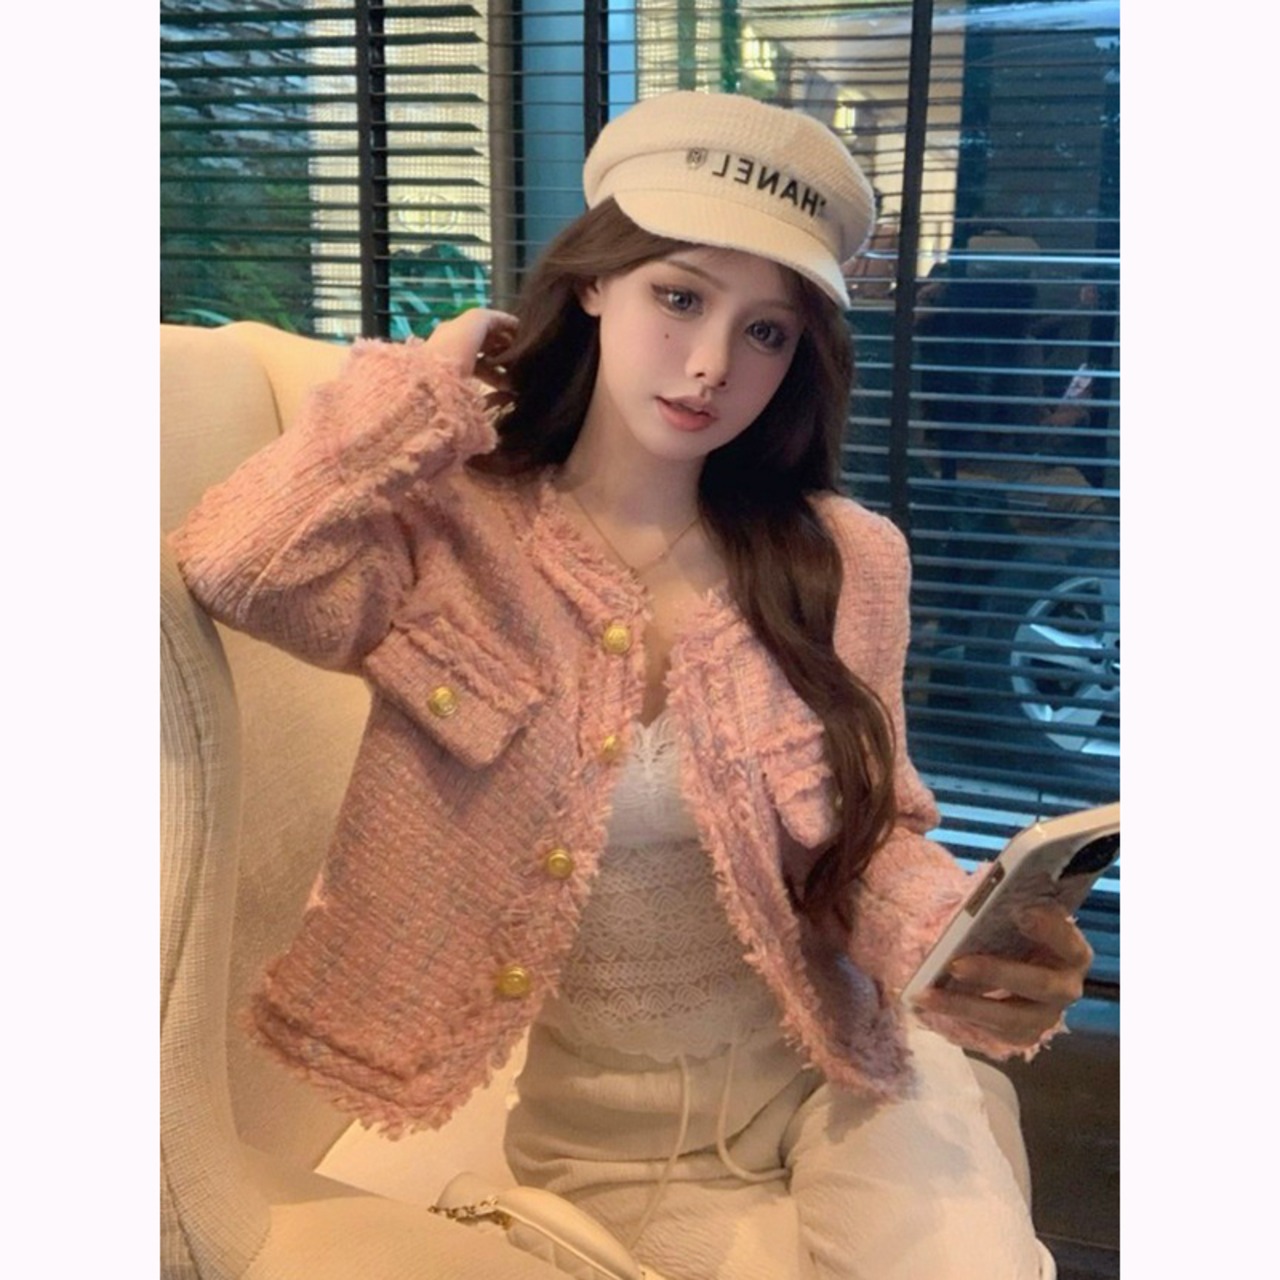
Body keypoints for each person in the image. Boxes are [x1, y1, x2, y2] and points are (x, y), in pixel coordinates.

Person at [171, 91, 1093, 1280]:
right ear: (596, 283)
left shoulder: (844, 557)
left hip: (844, 1077)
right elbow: (238, 566)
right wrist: (417, 390)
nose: (711, 364)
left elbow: (872, 836)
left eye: (766, 331)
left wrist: (953, 942)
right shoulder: (447, 533)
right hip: (611, 1145)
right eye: (679, 296)